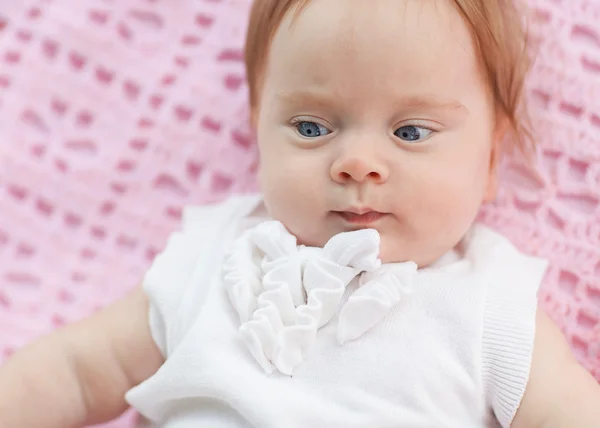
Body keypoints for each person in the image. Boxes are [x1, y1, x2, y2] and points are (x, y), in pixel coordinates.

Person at [1, 0, 599, 427]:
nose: (358, 162)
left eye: (411, 131)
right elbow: (76, 373)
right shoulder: (217, 256)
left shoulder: (489, 306)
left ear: (491, 160)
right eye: (312, 127)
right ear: (257, 126)